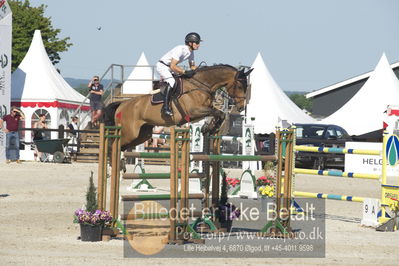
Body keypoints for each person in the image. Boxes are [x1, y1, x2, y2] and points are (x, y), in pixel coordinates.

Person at [156, 32, 202, 117]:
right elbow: (173, 66)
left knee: (183, 80)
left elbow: (192, 66)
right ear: (190, 43)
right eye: (197, 43)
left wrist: (201, 71)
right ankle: (165, 107)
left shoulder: (191, 53)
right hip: (163, 66)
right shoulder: (180, 49)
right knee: (172, 82)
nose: (199, 45)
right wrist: (185, 72)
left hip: (170, 67)